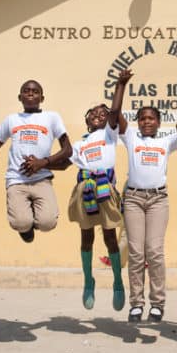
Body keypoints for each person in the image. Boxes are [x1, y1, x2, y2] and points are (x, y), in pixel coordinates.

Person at [116, 69, 177, 324]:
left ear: (158, 121)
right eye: (142, 118)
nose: (146, 122)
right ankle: (136, 304)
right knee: (135, 252)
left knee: (154, 251)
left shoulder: (166, 141)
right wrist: (121, 85)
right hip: (133, 199)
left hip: (157, 200)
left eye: (151, 119)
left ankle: (157, 303)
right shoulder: (130, 136)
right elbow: (115, 114)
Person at [63, 74, 130, 312]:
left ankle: (118, 281)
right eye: (94, 114)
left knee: (110, 237)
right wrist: (40, 164)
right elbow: (64, 160)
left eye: (103, 114)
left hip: (105, 190)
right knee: (86, 237)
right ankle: (88, 280)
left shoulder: (109, 135)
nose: (99, 116)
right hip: (85, 190)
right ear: (87, 122)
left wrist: (120, 85)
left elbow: (115, 111)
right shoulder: (80, 143)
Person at [0, 80, 71, 244]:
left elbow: (67, 150)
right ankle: (25, 226)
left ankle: (34, 212)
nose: (31, 94)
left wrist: (43, 162)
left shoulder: (52, 117)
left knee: (47, 223)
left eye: (35, 92)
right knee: (21, 222)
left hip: (41, 179)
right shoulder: (11, 119)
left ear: (42, 97)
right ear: (20, 97)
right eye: (26, 91)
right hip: (16, 179)